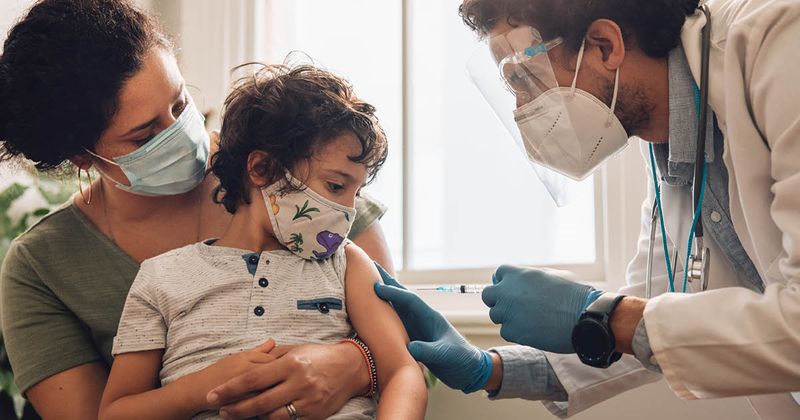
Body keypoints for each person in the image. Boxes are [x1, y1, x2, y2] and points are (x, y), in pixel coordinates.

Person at [374, 0, 800, 418]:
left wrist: (604, 315)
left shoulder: (779, 43)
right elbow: (648, 317)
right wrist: (491, 368)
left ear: (604, 46)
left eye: (524, 79)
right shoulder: (668, 148)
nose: (522, 110)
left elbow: (633, 322)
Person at [0, 1, 394, 418]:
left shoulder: (295, 178)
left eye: (179, 102)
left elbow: (407, 354)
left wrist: (355, 366)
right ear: (83, 157)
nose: (181, 133)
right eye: (144, 135)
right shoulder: (40, 269)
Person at [98, 64, 426, 420]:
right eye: (335, 186)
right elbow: (116, 412)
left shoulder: (349, 264)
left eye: (356, 191)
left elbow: (404, 371)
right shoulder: (160, 277)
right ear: (262, 170)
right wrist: (202, 388)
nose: (349, 209)